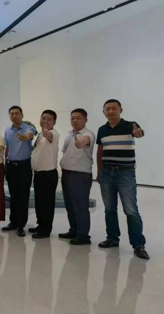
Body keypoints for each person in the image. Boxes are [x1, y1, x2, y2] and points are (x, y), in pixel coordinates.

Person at [96, 99, 149, 260]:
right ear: (103, 112)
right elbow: (100, 151)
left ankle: (138, 244)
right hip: (106, 173)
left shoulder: (130, 125)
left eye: (114, 108)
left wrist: (139, 133)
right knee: (109, 209)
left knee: (131, 210)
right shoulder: (102, 130)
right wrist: (99, 171)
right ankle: (112, 239)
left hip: (125, 173)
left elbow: (139, 132)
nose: (111, 111)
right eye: (108, 109)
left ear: (121, 110)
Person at [59, 108, 95, 245]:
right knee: (70, 205)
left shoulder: (88, 134)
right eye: (72, 118)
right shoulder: (70, 134)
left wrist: (80, 143)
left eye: (78, 118)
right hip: (67, 173)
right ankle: (74, 230)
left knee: (80, 205)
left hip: (80, 174)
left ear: (86, 120)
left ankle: (83, 235)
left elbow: (84, 141)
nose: (74, 120)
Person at [3, 106, 36, 237]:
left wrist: (24, 137)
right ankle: (13, 222)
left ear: (22, 115)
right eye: (12, 114)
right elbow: (7, 148)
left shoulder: (29, 128)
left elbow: (30, 135)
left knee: (23, 196)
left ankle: (21, 225)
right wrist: (5, 164)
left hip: (24, 166)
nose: (14, 116)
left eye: (17, 113)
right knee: (13, 195)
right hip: (11, 166)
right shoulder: (8, 130)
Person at [29, 110, 60, 239]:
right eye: (43, 118)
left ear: (54, 122)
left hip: (48, 174)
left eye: (49, 119)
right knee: (39, 202)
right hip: (38, 174)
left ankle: (46, 229)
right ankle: (40, 225)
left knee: (47, 204)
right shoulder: (40, 135)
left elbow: (50, 136)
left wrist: (46, 131)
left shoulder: (53, 133)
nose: (45, 121)